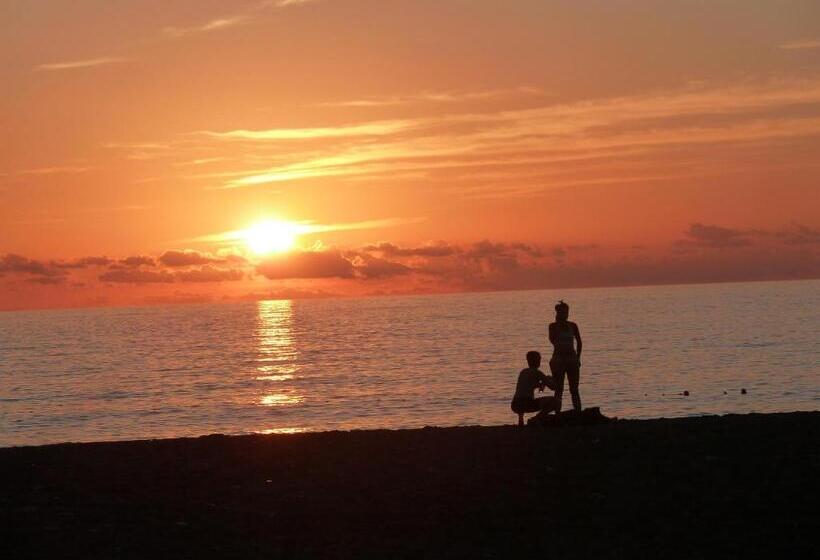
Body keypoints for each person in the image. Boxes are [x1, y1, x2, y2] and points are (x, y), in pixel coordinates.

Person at [548, 300, 582, 412]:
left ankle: (578, 412)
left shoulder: (573, 325)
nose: (565, 314)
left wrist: (578, 357)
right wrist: (558, 323)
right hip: (558, 360)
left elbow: (579, 341)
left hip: (572, 360)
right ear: (558, 313)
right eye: (563, 312)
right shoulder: (552, 326)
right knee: (559, 389)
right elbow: (553, 341)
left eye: (567, 312)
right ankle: (557, 413)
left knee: (574, 389)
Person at [511, 351, 558, 426]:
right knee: (555, 402)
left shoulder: (523, 372)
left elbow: (531, 386)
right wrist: (553, 379)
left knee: (522, 396)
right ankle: (537, 418)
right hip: (528, 404)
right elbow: (553, 387)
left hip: (515, 405)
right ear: (537, 361)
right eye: (539, 359)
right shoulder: (538, 373)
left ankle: (520, 419)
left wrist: (543, 383)